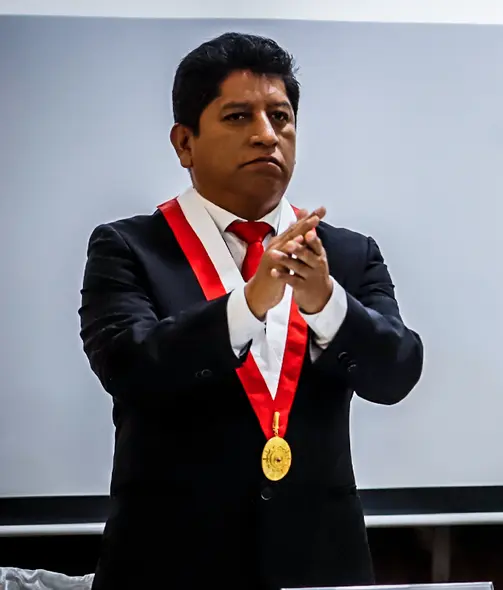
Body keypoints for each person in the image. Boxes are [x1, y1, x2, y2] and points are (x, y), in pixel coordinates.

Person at [78, 32, 423, 590]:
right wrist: (248, 304)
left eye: (281, 117)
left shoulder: (348, 254)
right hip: (169, 565)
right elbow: (129, 367)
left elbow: (398, 372)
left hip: (319, 563)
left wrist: (327, 303)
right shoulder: (128, 247)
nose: (267, 135)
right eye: (238, 117)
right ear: (184, 143)